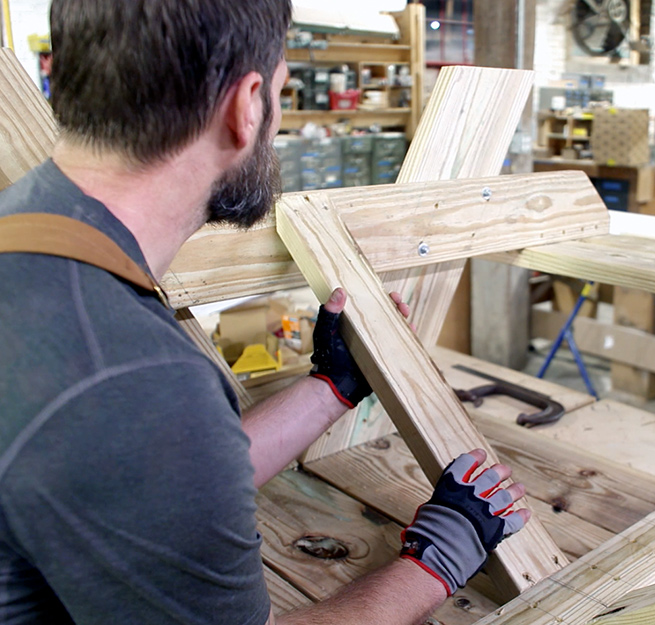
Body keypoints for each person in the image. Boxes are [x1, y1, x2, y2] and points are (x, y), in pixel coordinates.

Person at [0, 1, 529, 624]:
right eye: (281, 91)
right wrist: (438, 557)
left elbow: (141, 477)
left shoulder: (27, 229)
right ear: (247, 106)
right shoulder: (131, 375)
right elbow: (135, 425)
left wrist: (332, 386)